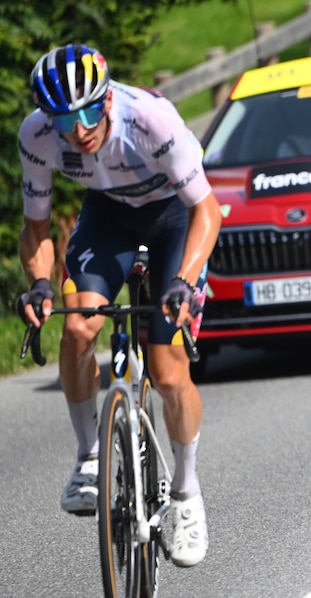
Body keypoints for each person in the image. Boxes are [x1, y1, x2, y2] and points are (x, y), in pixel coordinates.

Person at [16, 44, 220, 567]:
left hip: (175, 215)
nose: (79, 128)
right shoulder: (36, 136)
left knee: (170, 371)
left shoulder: (151, 120)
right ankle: (88, 457)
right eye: (65, 117)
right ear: (47, 117)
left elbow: (207, 210)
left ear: (107, 99)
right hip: (108, 215)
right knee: (79, 329)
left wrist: (183, 281)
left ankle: (187, 493)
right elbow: (36, 228)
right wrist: (40, 283)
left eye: (89, 111)